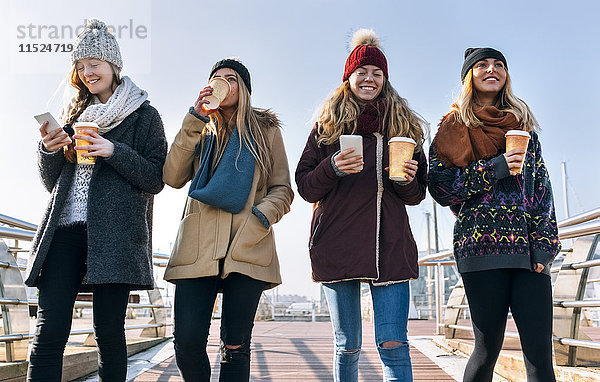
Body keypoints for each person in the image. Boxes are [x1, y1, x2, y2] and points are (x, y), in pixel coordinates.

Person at [25, 19, 167, 381]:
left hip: (115, 237)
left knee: (108, 333)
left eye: (94, 64)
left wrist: (113, 150)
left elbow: (155, 178)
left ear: (113, 66)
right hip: (64, 231)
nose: (87, 73)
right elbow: (49, 182)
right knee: (49, 329)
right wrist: (49, 149)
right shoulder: (76, 115)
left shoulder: (145, 116)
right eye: (81, 66)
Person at [295, 29, 428, 382]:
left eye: (377, 73)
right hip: (337, 245)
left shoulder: (404, 127)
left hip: (391, 248)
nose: (369, 79)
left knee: (394, 346)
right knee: (348, 346)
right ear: (349, 77)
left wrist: (407, 180)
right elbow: (306, 187)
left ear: (385, 79)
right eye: (362, 72)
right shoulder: (327, 125)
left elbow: (417, 196)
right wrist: (333, 166)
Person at [428, 47, 560, 382]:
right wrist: (495, 168)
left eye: (499, 64)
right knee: (487, 350)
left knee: (540, 356)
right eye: (482, 65)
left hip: (528, 253)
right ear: (469, 76)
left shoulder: (523, 128)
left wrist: (545, 245)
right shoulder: (451, 128)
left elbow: (542, 190)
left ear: (506, 75)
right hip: (479, 250)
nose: (492, 69)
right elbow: (442, 189)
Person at [162, 57, 293, 381]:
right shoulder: (200, 130)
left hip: (248, 244)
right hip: (198, 245)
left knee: (235, 346)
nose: (222, 82)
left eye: (231, 78)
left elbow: (282, 188)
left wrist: (260, 216)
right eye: (216, 77)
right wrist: (193, 119)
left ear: (244, 89)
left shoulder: (266, 130)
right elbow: (172, 176)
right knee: (188, 343)